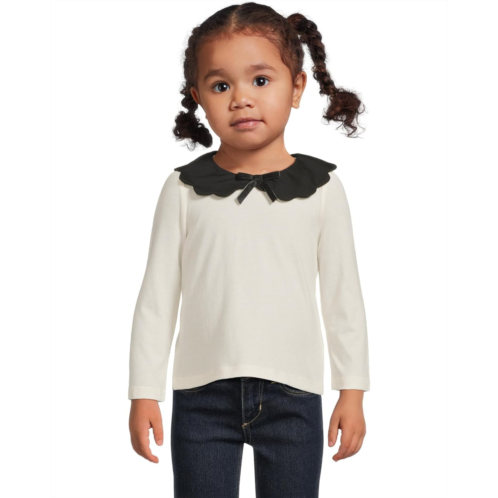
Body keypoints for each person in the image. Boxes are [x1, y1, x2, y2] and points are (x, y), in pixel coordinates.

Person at [128, 2, 370, 496]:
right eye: (221, 86)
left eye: (260, 80)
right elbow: (156, 298)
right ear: (198, 97)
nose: (241, 98)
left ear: (296, 87)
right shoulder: (183, 189)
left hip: (294, 395)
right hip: (200, 397)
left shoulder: (323, 189)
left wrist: (352, 390)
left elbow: (343, 296)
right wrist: (143, 393)